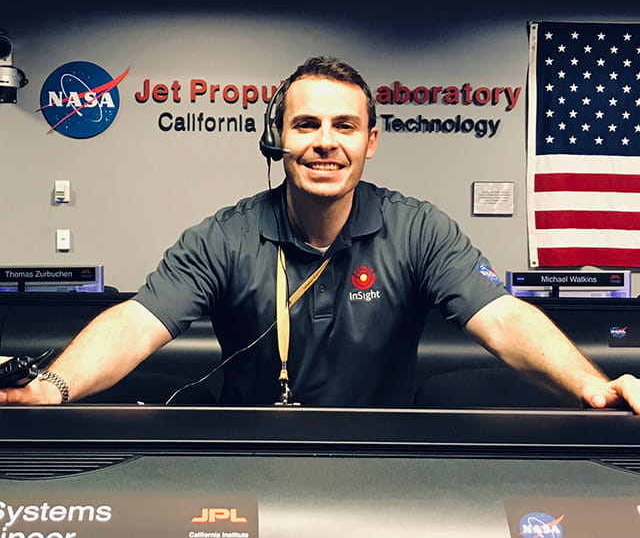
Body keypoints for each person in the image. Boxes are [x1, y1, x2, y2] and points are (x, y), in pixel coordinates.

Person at [1, 56, 639, 411]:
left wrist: (593, 385)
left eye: (345, 126)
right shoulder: (223, 235)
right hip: (246, 457)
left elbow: (501, 319)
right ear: (277, 138)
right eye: (306, 125)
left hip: (384, 457)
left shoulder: (418, 228)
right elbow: (137, 322)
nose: (326, 143)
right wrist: (51, 388)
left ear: (370, 142)